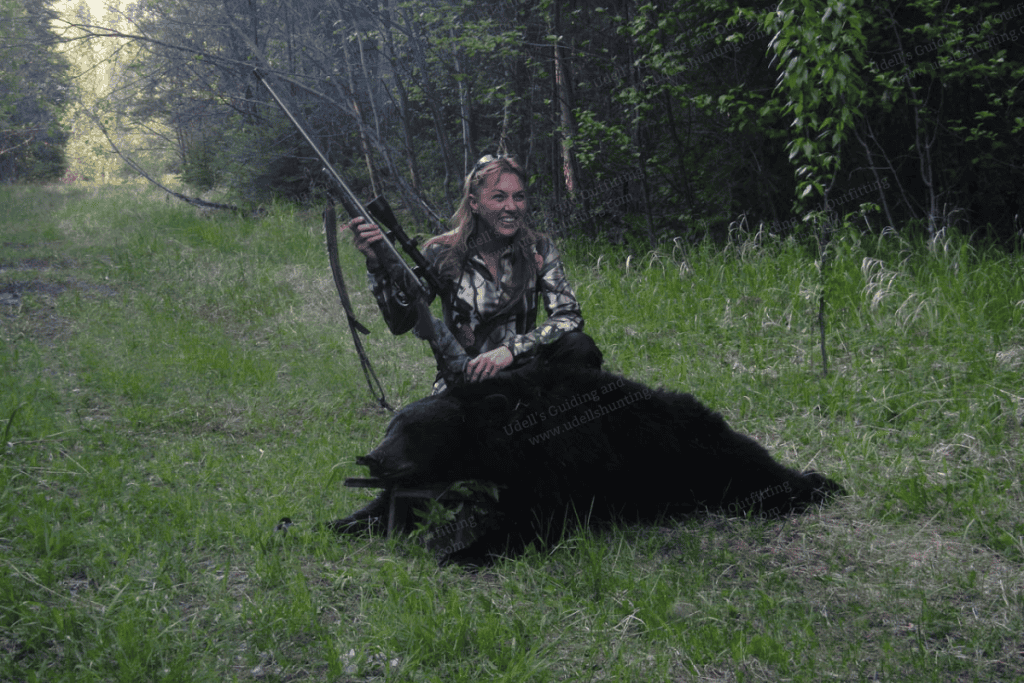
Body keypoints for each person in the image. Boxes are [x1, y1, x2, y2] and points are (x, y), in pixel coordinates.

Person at [342, 154, 601, 394]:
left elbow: (568, 316)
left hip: (523, 371)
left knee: (579, 347)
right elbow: (400, 322)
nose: (512, 207)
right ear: (475, 203)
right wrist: (377, 265)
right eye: (499, 197)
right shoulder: (441, 252)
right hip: (464, 377)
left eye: (519, 197)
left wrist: (510, 350)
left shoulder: (539, 248)